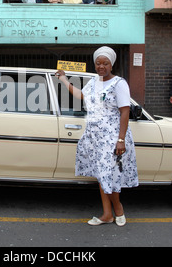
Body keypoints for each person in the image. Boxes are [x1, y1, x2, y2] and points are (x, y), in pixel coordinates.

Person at [55, 46, 138, 227]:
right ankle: (107, 214)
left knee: (109, 173)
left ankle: (118, 208)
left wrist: (121, 139)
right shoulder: (93, 82)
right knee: (102, 174)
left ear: (111, 64)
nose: (101, 66)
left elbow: (125, 112)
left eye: (105, 63)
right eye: (98, 63)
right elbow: (79, 95)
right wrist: (63, 79)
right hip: (95, 136)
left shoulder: (119, 83)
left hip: (113, 136)